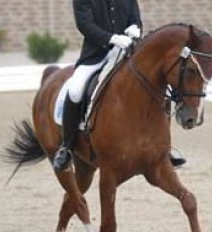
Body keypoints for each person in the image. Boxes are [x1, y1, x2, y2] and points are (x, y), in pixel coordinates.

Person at [52, 0, 185, 171]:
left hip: (127, 55)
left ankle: (163, 148)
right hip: (95, 56)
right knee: (76, 90)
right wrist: (112, 39)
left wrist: (136, 28)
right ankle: (67, 147)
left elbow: (135, 19)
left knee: (156, 88)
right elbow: (84, 25)